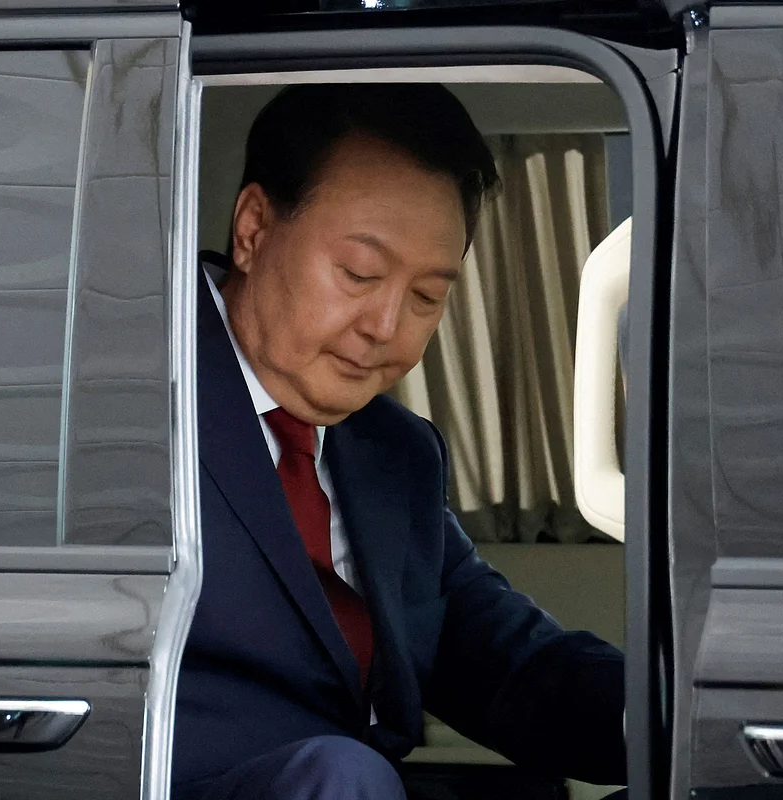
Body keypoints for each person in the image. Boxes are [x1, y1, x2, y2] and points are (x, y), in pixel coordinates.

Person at [172, 83, 626, 800]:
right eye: (360, 274)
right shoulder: (124, 396)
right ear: (254, 229)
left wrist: (671, 714)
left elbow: (497, 656)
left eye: (426, 297)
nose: (386, 327)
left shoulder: (395, 452)